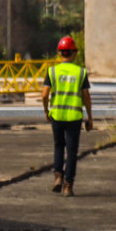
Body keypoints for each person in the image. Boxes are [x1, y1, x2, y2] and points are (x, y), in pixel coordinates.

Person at [40, 35, 93, 196]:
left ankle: (57, 176)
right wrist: (90, 118)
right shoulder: (80, 72)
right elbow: (86, 97)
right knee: (71, 152)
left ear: (60, 53)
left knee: (58, 146)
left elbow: (44, 95)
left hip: (57, 115)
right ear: (74, 53)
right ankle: (68, 185)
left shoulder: (52, 71)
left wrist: (46, 111)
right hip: (74, 118)